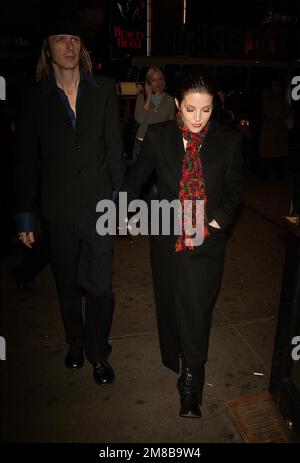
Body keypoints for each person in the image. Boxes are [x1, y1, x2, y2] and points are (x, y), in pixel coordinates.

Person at [122, 73, 243, 417]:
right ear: (178, 104)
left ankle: (192, 381)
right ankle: (174, 355)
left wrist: (217, 220)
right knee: (170, 302)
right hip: (166, 238)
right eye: (191, 109)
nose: (198, 118)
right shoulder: (160, 138)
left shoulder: (228, 141)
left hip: (206, 240)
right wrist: (124, 210)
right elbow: (135, 179)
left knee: (196, 309)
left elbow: (235, 190)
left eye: (206, 109)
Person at [14, 18, 124, 386]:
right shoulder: (35, 98)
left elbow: (115, 150)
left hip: (99, 209)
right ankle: (75, 342)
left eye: (75, 39)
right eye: (61, 39)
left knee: (101, 288)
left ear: (83, 47)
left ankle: (98, 352)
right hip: (58, 209)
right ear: (49, 49)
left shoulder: (104, 89)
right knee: (66, 285)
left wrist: (120, 204)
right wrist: (26, 216)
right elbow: (26, 159)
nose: (70, 46)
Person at [133, 66, 175, 162]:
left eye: (160, 79)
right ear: (148, 83)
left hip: (160, 144)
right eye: (154, 80)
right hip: (142, 142)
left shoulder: (169, 99)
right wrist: (148, 97)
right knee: (139, 176)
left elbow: (171, 125)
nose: (158, 83)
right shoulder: (141, 97)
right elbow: (139, 119)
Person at [259, 80, 290, 180]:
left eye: (277, 87)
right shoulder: (267, 98)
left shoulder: (282, 100)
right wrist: (277, 114)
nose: (275, 89)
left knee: (279, 154)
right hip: (270, 130)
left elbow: (287, 112)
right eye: (273, 87)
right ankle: (265, 174)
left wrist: (278, 114)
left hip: (279, 131)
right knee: (268, 153)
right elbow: (269, 112)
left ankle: (278, 174)